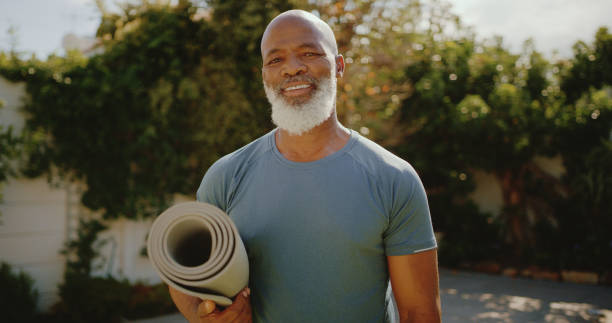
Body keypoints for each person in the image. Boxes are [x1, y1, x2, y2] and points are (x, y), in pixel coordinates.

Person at [169, 9, 441, 323]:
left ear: (339, 66)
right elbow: (183, 272)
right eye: (276, 60)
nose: (292, 68)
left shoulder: (394, 178)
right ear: (264, 76)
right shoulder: (226, 175)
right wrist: (201, 315)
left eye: (309, 53)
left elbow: (418, 313)